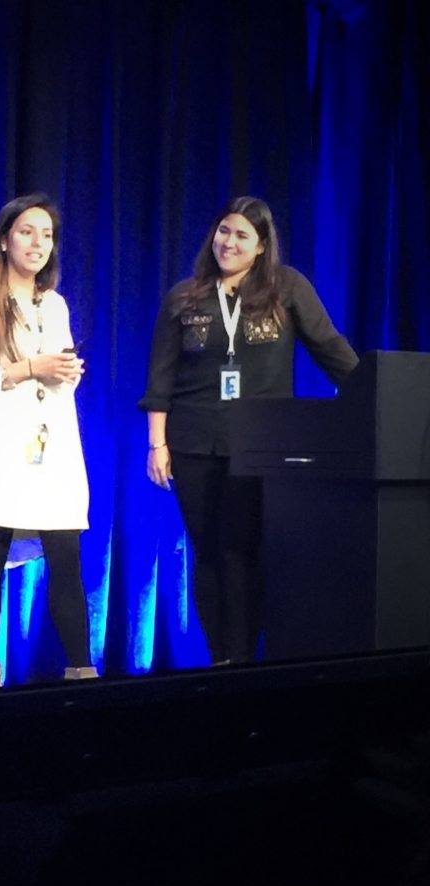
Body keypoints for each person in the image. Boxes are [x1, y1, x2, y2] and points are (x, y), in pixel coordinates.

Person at [139, 195, 359, 665]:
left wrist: (372, 390)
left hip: (263, 445)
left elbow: (331, 349)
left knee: (243, 551)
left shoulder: (287, 288)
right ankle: (221, 660)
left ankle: (244, 661)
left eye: (242, 235)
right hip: (194, 441)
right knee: (208, 552)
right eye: (224, 231)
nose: (229, 242)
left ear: (261, 246)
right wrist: (157, 443)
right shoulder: (185, 295)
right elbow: (160, 376)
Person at [0, 193, 97, 688]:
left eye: (47, 235)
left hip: (49, 450)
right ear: (6, 239)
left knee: (66, 556)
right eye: (28, 232)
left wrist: (65, 371)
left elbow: (59, 374)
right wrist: (31, 367)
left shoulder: (53, 305)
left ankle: (81, 670)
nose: (38, 243)